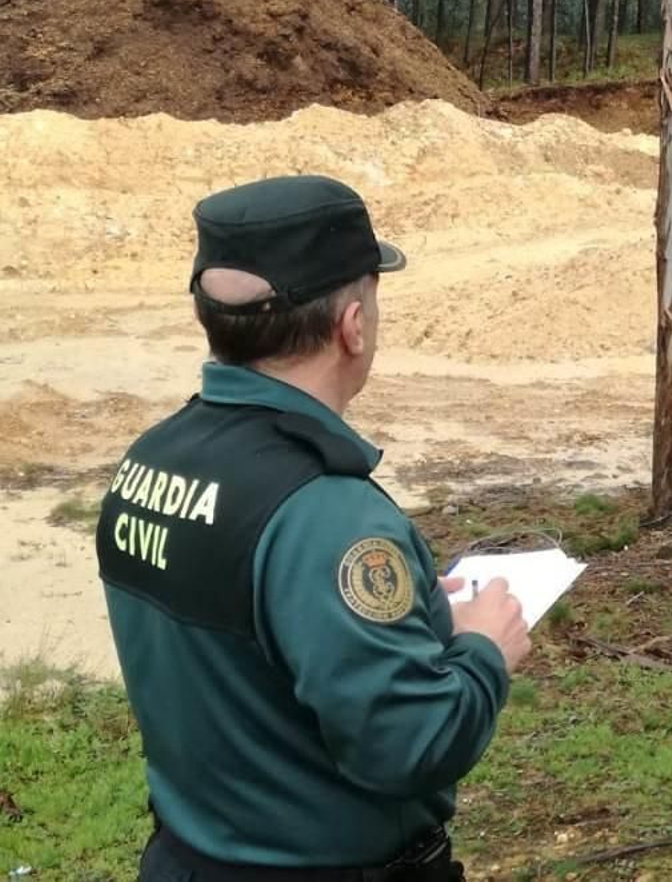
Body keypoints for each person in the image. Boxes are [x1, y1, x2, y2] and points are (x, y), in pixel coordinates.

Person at [94, 174, 532, 881]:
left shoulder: (149, 462)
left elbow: (250, 649)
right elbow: (409, 741)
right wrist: (483, 647)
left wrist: (415, 615)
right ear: (352, 326)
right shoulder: (328, 512)